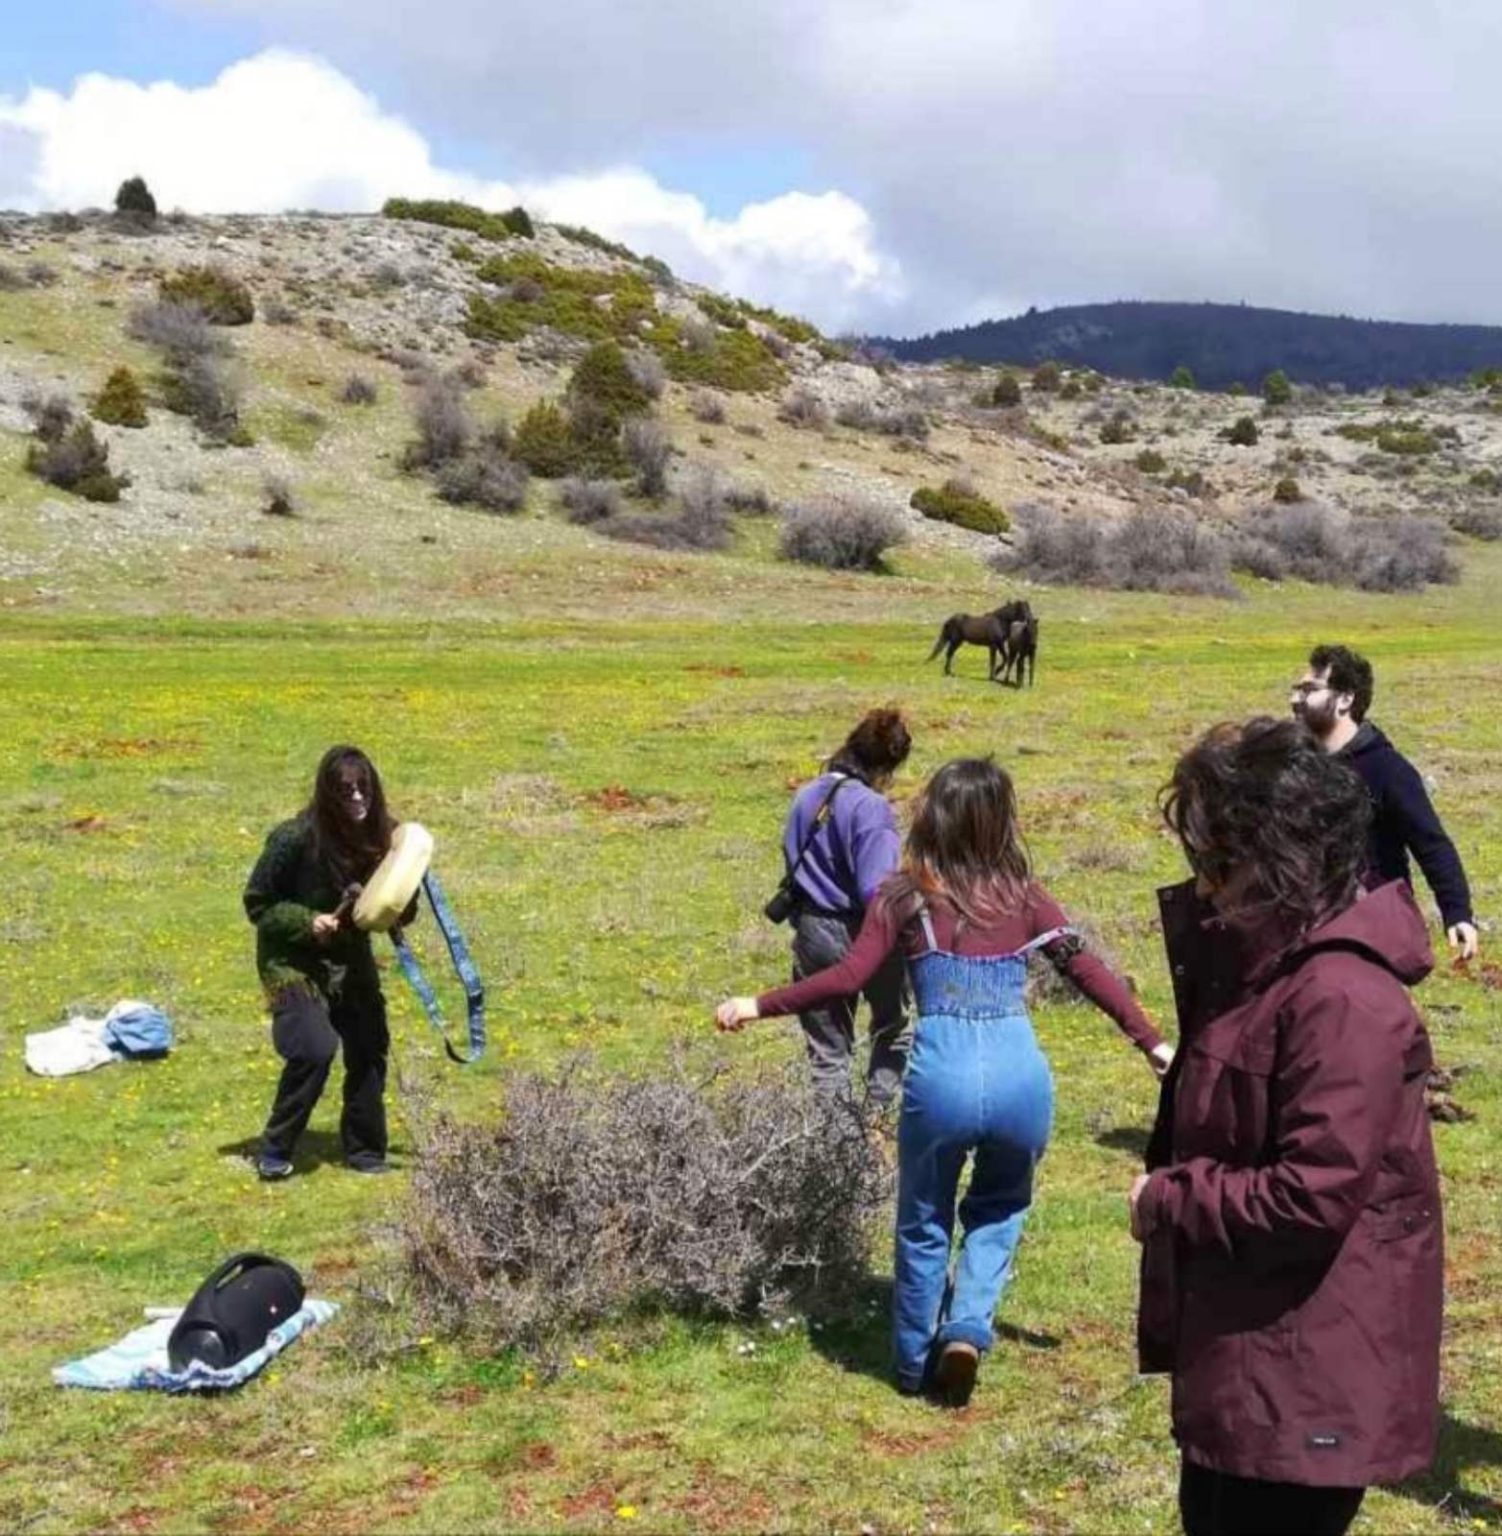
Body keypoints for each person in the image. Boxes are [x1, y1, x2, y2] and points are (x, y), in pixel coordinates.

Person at [721, 757, 1169, 1404]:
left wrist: (758, 1004)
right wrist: (1152, 1043)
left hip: (942, 1072)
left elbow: (848, 979)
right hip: (1021, 1073)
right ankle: (967, 1327)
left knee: (924, 1217)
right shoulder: (1023, 892)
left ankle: (909, 1367)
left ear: (932, 816)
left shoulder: (902, 896)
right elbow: (1084, 967)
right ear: (999, 821)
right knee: (1000, 1205)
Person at [1131, 718, 1442, 1536]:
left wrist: (1169, 1199)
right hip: (1254, 1367)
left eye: (1221, 864)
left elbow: (1312, 1194)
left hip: (1306, 1384)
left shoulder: (1341, 998)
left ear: (1284, 861)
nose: (1204, 888)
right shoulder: (1265, 972)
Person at [244, 745, 414, 1180]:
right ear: (327, 795)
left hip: (349, 960)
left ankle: (365, 1151)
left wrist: (402, 892)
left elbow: (399, 909)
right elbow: (259, 903)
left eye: (364, 789)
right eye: (345, 792)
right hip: (292, 963)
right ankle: (277, 1147)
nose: (357, 799)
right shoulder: (294, 838)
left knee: (370, 1043)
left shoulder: (384, 838)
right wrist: (307, 921)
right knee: (315, 1049)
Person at [1291, 642, 1478, 959]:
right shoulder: (1296, 765)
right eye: (1296, 689)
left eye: (1309, 689)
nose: (1295, 699)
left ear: (1346, 699)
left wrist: (1457, 911)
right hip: (1308, 926)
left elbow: (1431, 843)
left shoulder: (1387, 770)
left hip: (1372, 928)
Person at [773, 707, 914, 1107]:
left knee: (828, 1054)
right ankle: (876, 1122)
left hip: (813, 931)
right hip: (864, 932)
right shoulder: (871, 808)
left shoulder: (806, 794)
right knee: (892, 1028)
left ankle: (833, 1149)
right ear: (888, 764)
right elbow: (878, 891)